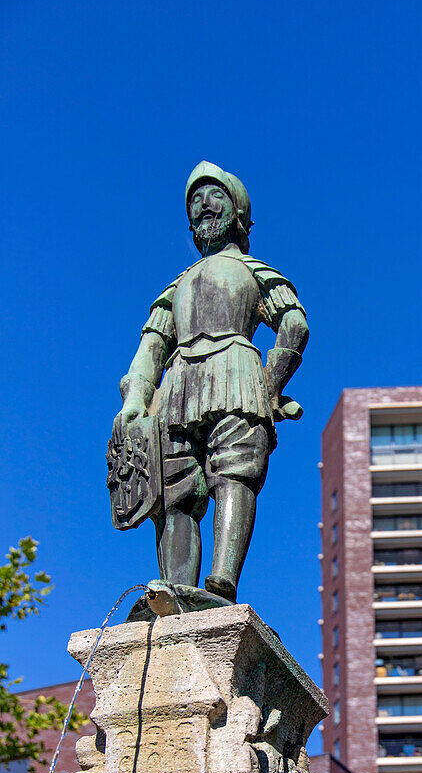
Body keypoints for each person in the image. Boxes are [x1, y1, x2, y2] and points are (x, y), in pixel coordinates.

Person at [113, 161, 308, 601]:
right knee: (174, 490)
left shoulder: (256, 271)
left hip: (237, 375)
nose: (204, 204)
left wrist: (271, 383)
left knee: (234, 471)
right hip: (176, 387)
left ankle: (223, 580)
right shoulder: (176, 286)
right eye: (195, 200)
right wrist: (136, 397)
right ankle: (177, 589)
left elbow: (294, 324)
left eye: (215, 195)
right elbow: (151, 347)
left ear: (237, 210)